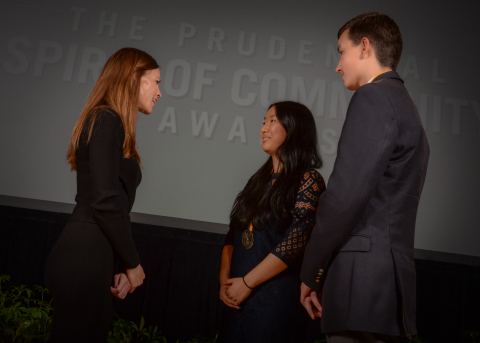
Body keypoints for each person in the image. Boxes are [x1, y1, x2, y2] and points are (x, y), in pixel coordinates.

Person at [299, 12, 430, 342]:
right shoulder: (406, 106)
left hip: (362, 287)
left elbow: (345, 196)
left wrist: (311, 270)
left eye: (341, 51)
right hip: (388, 290)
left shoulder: (374, 97)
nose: (337, 65)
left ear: (364, 47)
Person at [44, 47, 162, 342]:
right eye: (156, 81)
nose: (160, 92)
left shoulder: (111, 122)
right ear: (135, 77)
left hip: (93, 255)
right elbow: (106, 200)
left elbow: (113, 202)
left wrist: (121, 265)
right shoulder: (106, 118)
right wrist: (133, 264)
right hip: (84, 255)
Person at [218, 101, 326, 343]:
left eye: (272, 121)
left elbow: (295, 243)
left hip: (274, 301)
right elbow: (232, 235)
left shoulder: (308, 179)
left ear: (294, 128)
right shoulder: (256, 180)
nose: (264, 128)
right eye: (263, 122)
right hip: (236, 297)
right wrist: (225, 282)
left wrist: (247, 282)